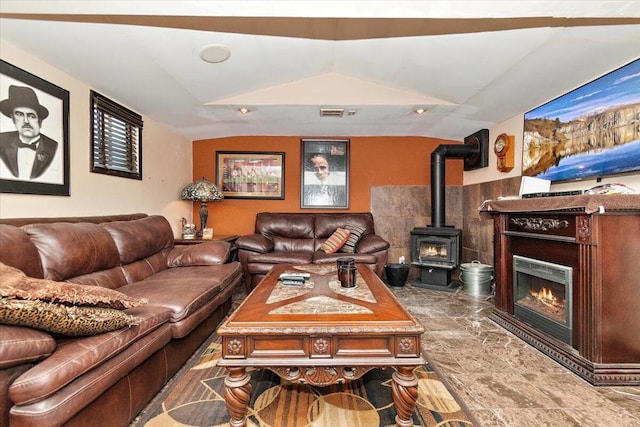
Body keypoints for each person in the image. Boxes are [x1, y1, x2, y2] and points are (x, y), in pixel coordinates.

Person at [0, 85, 59, 180]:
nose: (26, 121)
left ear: (40, 120)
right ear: (13, 118)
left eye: (31, 116)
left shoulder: (53, 146)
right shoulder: (2, 140)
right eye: (19, 114)